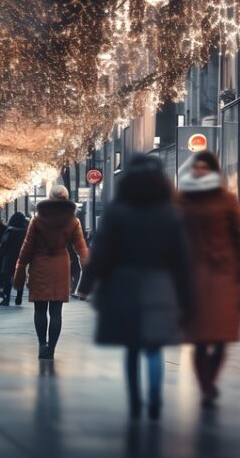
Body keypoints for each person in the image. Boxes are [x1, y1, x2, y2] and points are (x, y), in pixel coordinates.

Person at [78, 155, 192, 421]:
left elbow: (102, 252)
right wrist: (186, 295)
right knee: (154, 346)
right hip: (159, 283)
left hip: (123, 283)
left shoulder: (118, 211)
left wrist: (88, 284)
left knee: (131, 346)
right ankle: (154, 397)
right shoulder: (170, 213)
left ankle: (134, 400)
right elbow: (181, 257)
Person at [177, 151, 240, 408]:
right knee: (200, 339)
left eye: (205, 168)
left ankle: (210, 380)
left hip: (225, 276)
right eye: (197, 167)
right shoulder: (181, 201)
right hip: (193, 278)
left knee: (223, 336)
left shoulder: (226, 201)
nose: (201, 171)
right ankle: (206, 386)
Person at [14, 185, 89, 360]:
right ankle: (52, 349)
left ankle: (42, 344)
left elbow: (26, 248)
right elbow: (80, 248)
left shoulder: (37, 220)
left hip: (39, 266)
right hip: (60, 267)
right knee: (56, 312)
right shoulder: (73, 221)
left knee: (40, 309)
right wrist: (88, 268)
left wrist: (20, 267)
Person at [0, 212, 28, 306]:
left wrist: (1, 253)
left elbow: (3, 244)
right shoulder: (26, 231)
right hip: (21, 257)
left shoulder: (9, 230)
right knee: (20, 277)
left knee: (7, 278)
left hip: (9, 257)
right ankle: (19, 297)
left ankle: (6, 298)